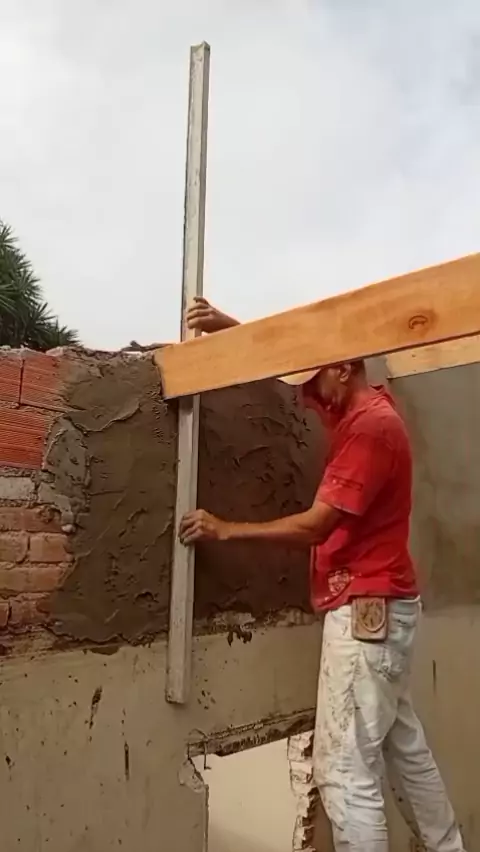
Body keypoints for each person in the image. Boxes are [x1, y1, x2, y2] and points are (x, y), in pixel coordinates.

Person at [179, 297, 467, 852]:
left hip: (366, 614)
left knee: (343, 772)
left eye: (318, 380)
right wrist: (229, 328)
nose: (309, 395)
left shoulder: (371, 429)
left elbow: (316, 525)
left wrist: (225, 530)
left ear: (345, 366)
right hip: (384, 612)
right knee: (403, 748)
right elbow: (293, 364)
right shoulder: (356, 401)